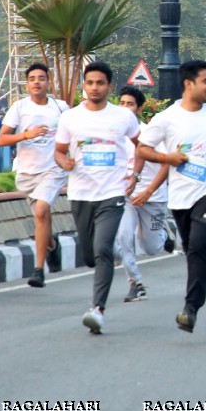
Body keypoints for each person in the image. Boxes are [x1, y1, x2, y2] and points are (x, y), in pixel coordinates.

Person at [137, 60, 206, 334]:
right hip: (181, 195)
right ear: (188, 84)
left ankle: (191, 308)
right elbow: (142, 149)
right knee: (198, 248)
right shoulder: (166, 119)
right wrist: (166, 157)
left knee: (196, 245)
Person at [53, 62, 140, 334]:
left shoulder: (123, 117)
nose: (94, 88)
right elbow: (58, 151)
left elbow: (142, 146)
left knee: (101, 250)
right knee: (91, 256)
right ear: (84, 86)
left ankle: (98, 310)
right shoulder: (70, 118)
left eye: (100, 83)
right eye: (90, 83)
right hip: (80, 194)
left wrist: (134, 174)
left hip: (112, 194)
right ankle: (107, 253)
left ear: (109, 86)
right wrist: (63, 161)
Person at [0, 63, 70, 288]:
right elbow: (1, 139)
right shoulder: (19, 108)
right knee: (42, 216)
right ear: (27, 84)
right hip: (27, 173)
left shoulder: (61, 108)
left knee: (41, 210)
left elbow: (74, 134)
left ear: (49, 83)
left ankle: (38, 270)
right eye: (32, 79)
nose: (37, 82)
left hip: (53, 169)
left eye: (41, 78)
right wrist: (26, 135)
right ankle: (51, 244)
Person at [115, 86, 175, 304]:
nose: (124, 108)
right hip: (126, 196)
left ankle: (164, 235)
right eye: (121, 103)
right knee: (123, 237)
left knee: (151, 248)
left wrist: (149, 191)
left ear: (139, 109)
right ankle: (135, 284)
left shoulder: (150, 134)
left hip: (153, 197)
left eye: (130, 104)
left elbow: (167, 165)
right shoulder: (113, 134)